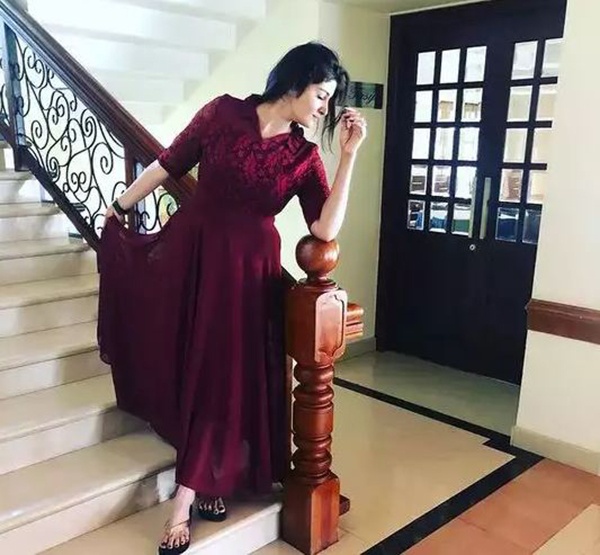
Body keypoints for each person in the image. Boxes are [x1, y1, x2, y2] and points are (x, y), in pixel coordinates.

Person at [97, 41, 366, 554]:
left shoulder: (303, 156)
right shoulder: (222, 113)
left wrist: (349, 156)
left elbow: (324, 228)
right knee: (194, 363)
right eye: (321, 94)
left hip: (249, 274)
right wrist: (121, 205)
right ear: (295, 83)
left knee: (221, 373)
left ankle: (186, 498)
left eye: (329, 99)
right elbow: (168, 163)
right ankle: (210, 480)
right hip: (194, 255)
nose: (324, 107)